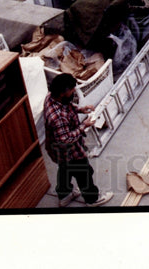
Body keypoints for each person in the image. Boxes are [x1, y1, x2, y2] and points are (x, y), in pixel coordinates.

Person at [43, 73, 113, 207]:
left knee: (64, 170)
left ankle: (64, 195)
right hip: (68, 151)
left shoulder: (51, 97)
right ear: (63, 92)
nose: (74, 91)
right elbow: (66, 139)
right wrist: (83, 126)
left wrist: (80, 109)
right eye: (71, 90)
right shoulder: (57, 117)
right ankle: (92, 199)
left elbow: (66, 107)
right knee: (84, 172)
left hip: (56, 150)